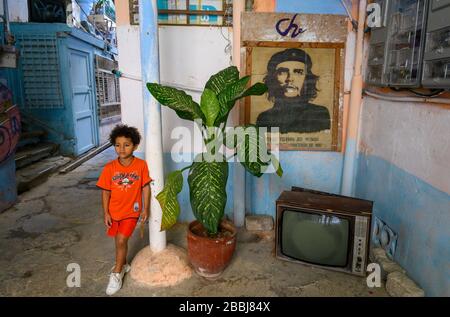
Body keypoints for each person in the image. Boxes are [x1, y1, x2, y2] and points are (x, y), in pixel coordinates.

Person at [96, 124, 151, 295]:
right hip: (114, 212)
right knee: (119, 241)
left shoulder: (141, 165)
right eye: (118, 145)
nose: (121, 148)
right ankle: (124, 263)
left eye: (126, 144)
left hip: (131, 212)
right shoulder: (109, 168)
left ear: (135, 146)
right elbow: (105, 192)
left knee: (121, 241)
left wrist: (145, 208)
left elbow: (145, 188)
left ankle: (117, 272)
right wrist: (106, 212)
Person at [256, 48, 331, 134]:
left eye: (298, 72)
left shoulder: (319, 114)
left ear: (307, 79)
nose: (290, 79)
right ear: (273, 78)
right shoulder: (264, 118)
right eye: (282, 72)